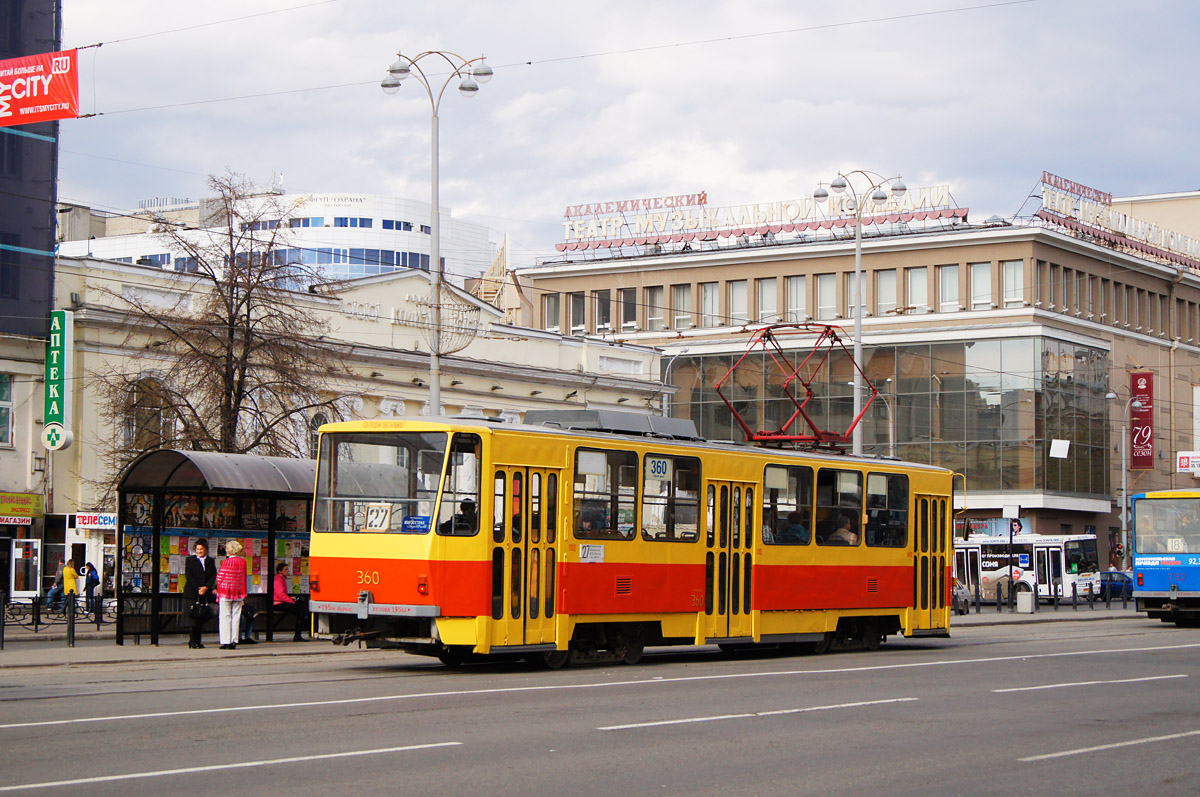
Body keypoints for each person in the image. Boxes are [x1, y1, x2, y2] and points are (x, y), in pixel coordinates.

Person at [183, 538, 217, 649]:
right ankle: (192, 641)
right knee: (193, 616)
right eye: (197, 549)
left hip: (205, 593)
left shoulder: (210, 561)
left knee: (201, 616)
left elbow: (213, 575)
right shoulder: (190, 560)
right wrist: (198, 588)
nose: (199, 551)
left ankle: (198, 641)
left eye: (201, 549)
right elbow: (189, 576)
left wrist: (206, 587)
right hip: (192, 593)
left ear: (206, 549)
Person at [215, 540, 248, 650]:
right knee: (236, 616)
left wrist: (218, 590)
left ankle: (226, 641)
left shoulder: (226, 562)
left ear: (229, 550)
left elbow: (220, 577)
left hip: (226, 592)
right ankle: (234, 640)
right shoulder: (243, 562)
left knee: (225, 616)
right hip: (238, 592)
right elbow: (243, 578)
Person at [273, 562, 308, 642]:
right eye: (285, 569)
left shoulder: (281, 579)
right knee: (300, 610)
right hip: (277, 603)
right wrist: (290, 601)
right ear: (280, 571)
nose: (288, 571)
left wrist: (290, 599)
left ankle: (298, 633)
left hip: (280, 602)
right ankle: (298, 634)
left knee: (301, 606)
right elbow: (280, 594)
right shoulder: (278, 580)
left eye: (287, 569)